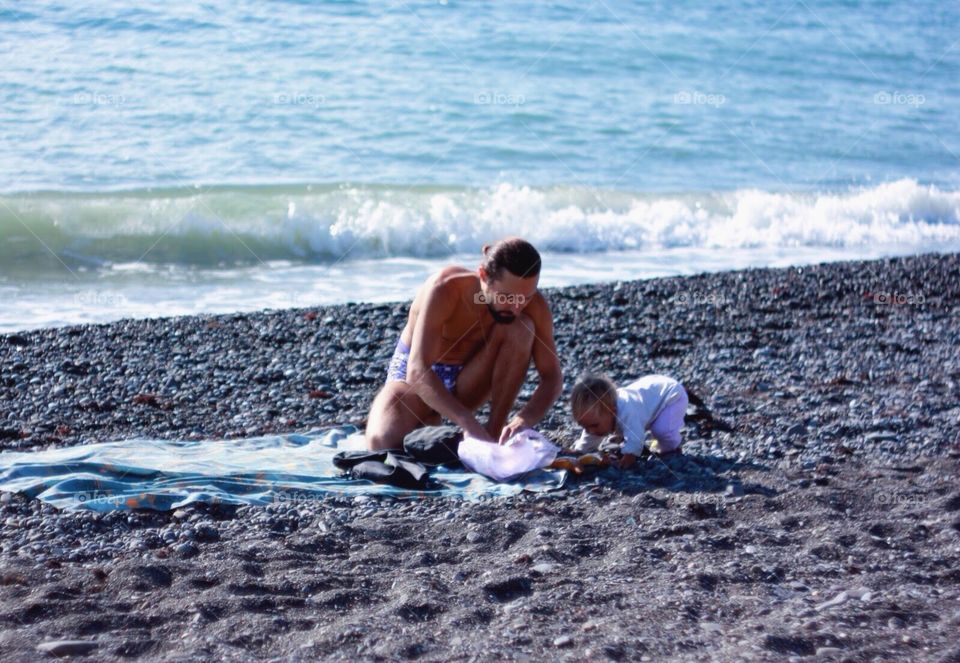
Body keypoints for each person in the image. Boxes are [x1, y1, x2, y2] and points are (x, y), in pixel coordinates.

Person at [365, 237, 563, 450]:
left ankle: (493, 433)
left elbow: (552, 377)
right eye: (507, 296)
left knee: (521, 328)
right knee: (381, 443)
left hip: (467, 378)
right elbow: (418, 370)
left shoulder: (533, 305)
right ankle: (429, 419)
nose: (517, 307)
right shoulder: (445, 289)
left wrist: (523, 420)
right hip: (416, 376)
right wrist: (467, 422)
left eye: (526, 297)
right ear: (483, 276)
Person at [570, 373, 688, 469]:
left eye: (594, 425)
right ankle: (657, 441)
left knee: (662, 430)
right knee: (644, 422)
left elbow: (636, 435)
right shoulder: (600, 416)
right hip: (651, 391)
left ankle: (672, 449)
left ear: (612, 411)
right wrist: (580, 451)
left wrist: (630, 455)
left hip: (671, 395)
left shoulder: (627, 411)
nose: (590, 431)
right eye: (584, 426)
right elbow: (590, 437)